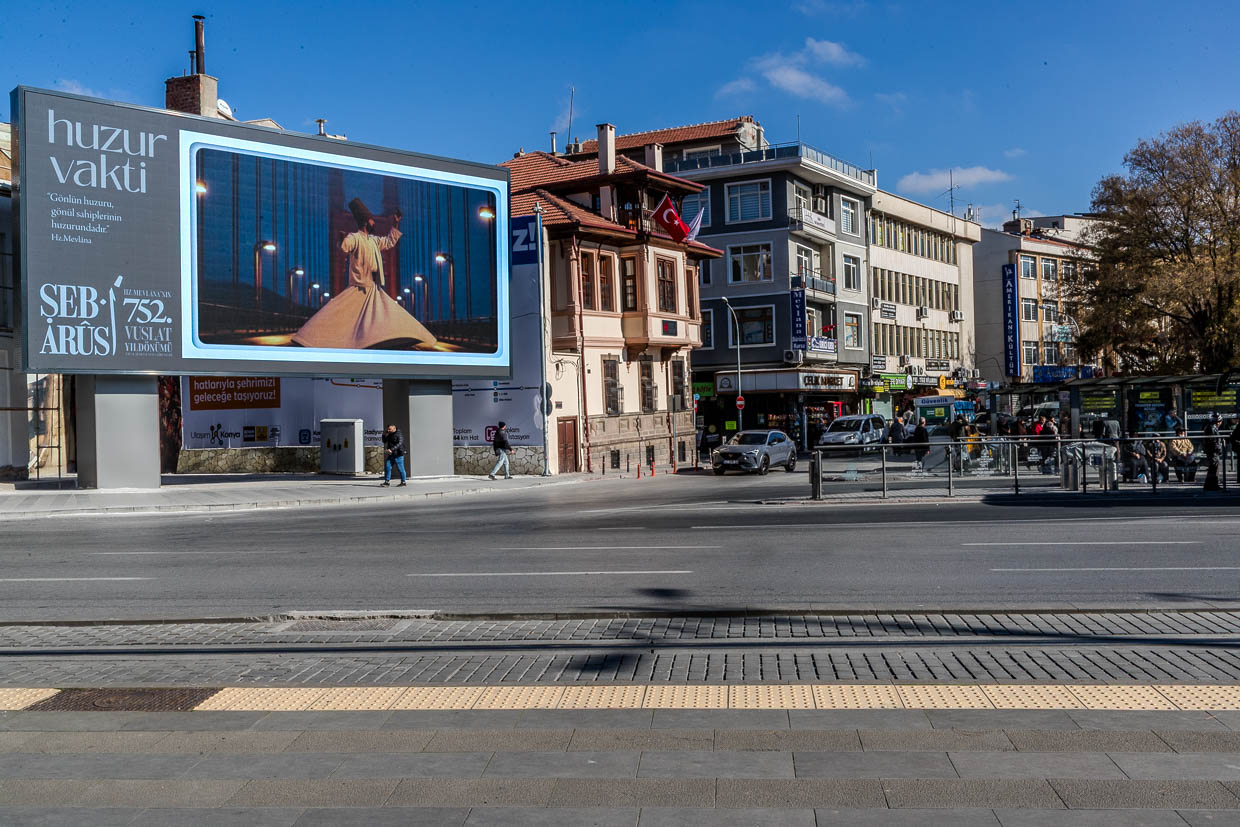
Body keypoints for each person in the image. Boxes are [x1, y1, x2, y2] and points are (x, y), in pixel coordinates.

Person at [292, 197, 438, 350]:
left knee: (393, 315)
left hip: (374, 288)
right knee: (337, 316)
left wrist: (396, 224)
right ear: (365, 222)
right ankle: (306, 339)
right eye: (372, 220)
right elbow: (344, 246)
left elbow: (389, 241)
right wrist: (341, 240)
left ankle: (409, 338)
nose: (374, 223)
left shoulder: (374, 240)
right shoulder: (354, 238)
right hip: (359, 288)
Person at [1203, 412, 1223, 491]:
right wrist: (1219, 449)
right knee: (1214, 468)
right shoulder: (1212, 427)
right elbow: (1213, 441)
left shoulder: (1211, 427)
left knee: (1213, 468)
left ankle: (1210, 485)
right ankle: (1212, 485)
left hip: (1212, 450)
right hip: (1213, 451)